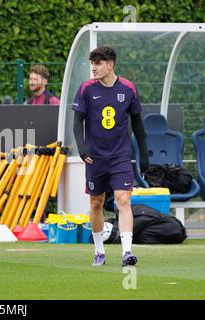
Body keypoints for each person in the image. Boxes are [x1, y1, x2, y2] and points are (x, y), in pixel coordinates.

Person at [72, 45, 149, 267]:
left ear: (110, 64)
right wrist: (82, 148)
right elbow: (77, 122)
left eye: (98, 63)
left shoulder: (128, 89)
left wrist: (144, 155)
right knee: (96, 202)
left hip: (120, 156)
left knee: (123, 200)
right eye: (92, 63)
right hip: (94, 157)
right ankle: (99, 251)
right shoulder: (86, 88)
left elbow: (138, 125)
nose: (93, 68)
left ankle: (127, 253)